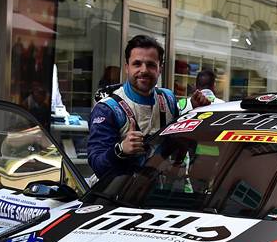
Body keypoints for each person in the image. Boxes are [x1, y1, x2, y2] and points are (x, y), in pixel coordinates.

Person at [86, 35, 211, 180]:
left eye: (151, 65)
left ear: (160, 69)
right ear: (127, 67)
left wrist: (194, 109)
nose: (144, 70)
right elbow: (97, 164)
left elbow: (177, 140)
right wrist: (121, 150)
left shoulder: (167, 98)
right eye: (137, 64)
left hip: (154, 193)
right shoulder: (108, 109)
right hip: (115, 196)